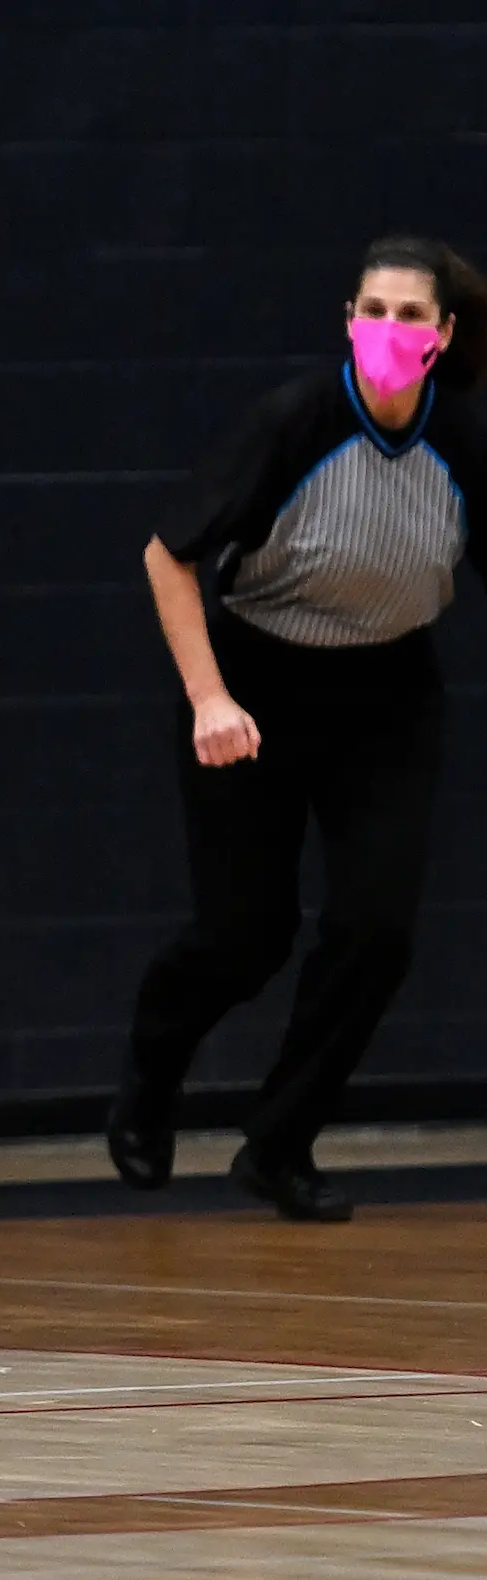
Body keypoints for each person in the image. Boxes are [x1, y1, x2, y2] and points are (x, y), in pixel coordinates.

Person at [111, 235, 487, 1223]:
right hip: (257, 681)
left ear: (443, 336)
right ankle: (152, 1076)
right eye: (373, 310)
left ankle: (280, 1142)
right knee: (246, 938)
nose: (389, 330)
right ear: (349, 321)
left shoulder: (466, 437)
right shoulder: (295, 418)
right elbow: (168, 555)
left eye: (411, 316)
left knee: (377, 931)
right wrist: (208, 698)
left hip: (390, 694)